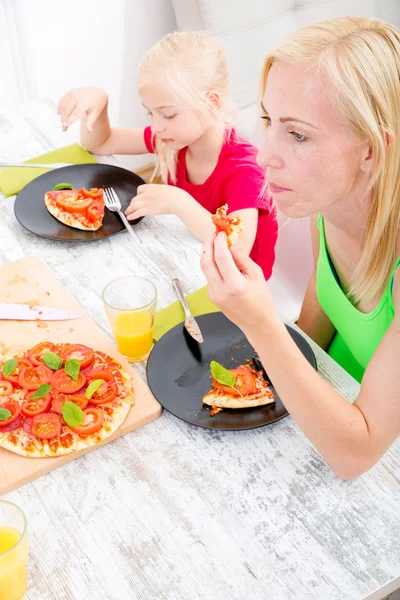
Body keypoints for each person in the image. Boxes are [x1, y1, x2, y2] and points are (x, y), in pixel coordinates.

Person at [200, 17, 400, 479]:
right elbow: (315, 324)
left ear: (372, 150)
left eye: (298, 134)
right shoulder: (327, 207)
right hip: (335, 402)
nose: (265, 154)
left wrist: (260, 320)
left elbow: (357, 455)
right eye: (269, 120)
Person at [58, 31, 277, 280]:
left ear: (212, 104)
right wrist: (99, 104)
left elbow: (235, 248)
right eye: (150, 113)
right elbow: (101, 143)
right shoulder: (175, 139)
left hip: (239, 287)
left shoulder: (245, 170)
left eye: (168, 114)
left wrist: (178, 202)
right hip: (189, 261)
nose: (157, 126)